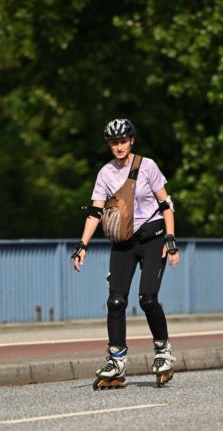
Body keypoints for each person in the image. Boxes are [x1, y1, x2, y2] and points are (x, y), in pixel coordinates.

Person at [71, 118, 180, 388]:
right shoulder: (105, 174)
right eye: (113, 142)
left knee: (147, 298)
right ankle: (117, 360)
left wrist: (170, 238)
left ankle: (163, 352)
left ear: (131, 140)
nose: (119, 146)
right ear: (109, 144)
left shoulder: (147, 166)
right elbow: (96, 211)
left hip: (153, 237)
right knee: (116, 301)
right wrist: (82, 245)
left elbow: (166, 203)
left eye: (123, 141)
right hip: (123, 241)